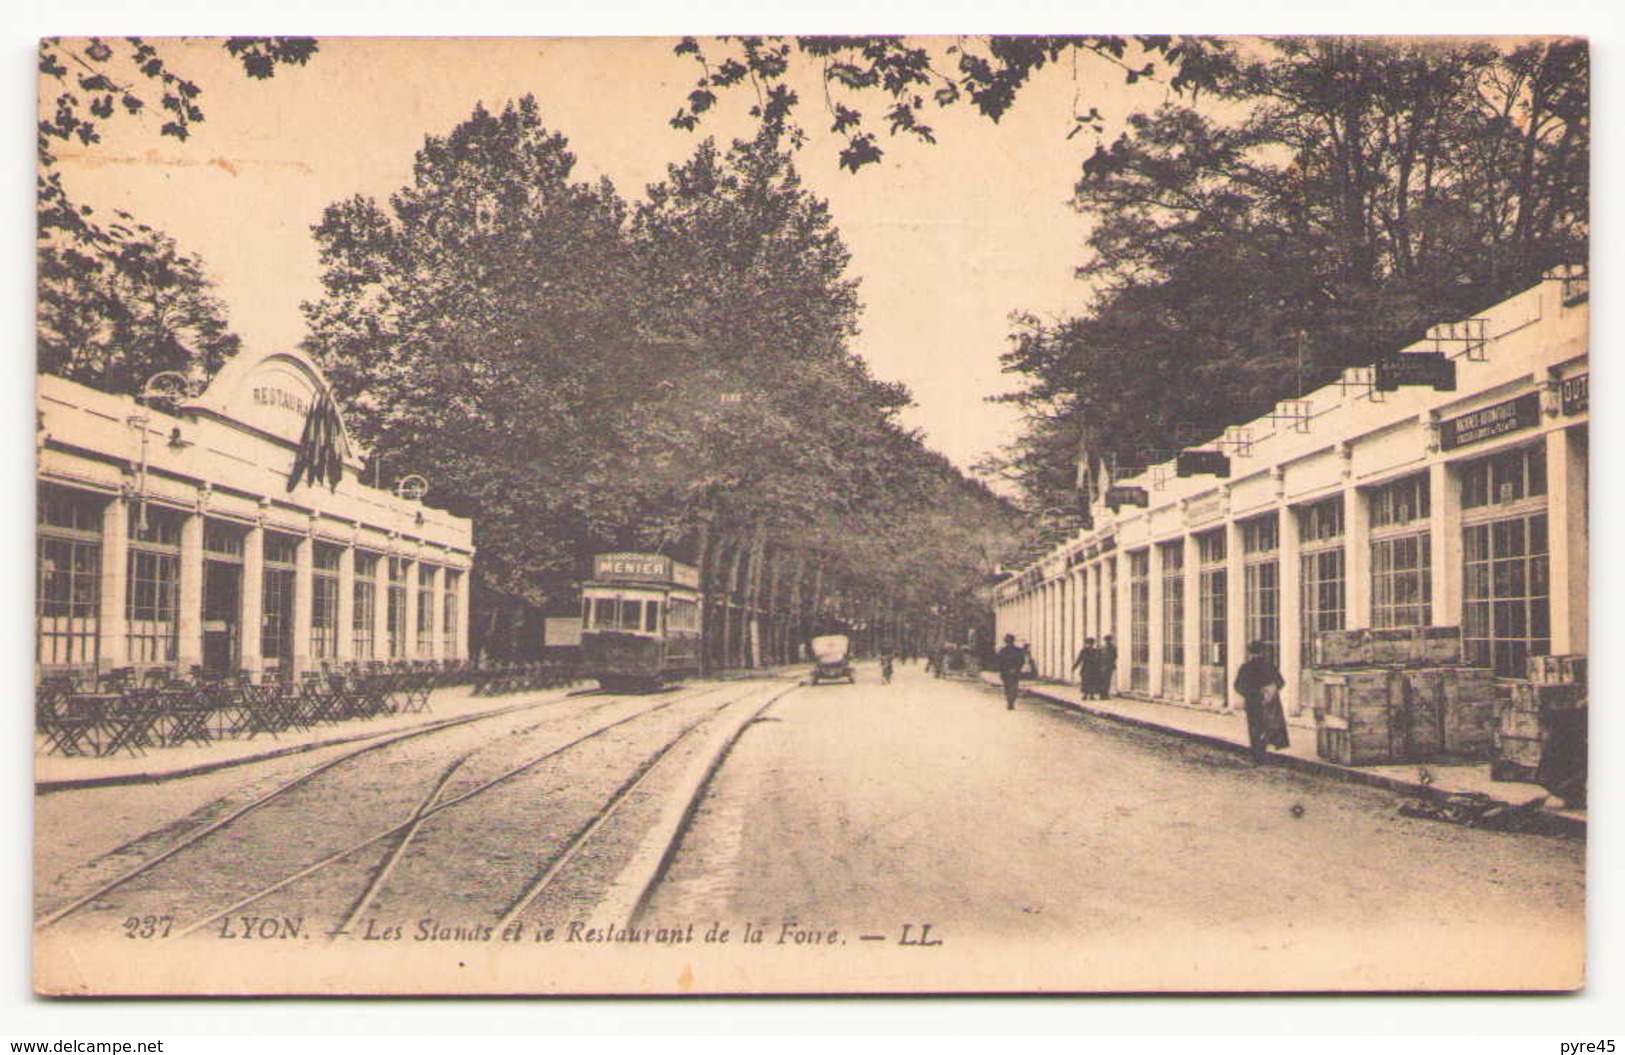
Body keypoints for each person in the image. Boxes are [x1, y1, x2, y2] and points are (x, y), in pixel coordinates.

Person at [1234, 639, 1289, 759]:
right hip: (1268, 701)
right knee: (1268, 725)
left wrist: (1249, 694)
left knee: (1255, 726)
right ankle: (1262, 749)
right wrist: (1271, 690)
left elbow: (1238, 686)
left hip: (1253, 702)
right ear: (1263, 652)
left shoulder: (1246, 667)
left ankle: (1257, 751)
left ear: (1250, 653)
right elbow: (1280, 682)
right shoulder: (1269, 666)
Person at [994, 634, 1032, 710]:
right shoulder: (1017, 650)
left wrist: (1002, 671)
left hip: (1006, 672)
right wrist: (1017, 668)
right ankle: (1011, 701)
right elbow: (1021, 660)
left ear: (1005, 641)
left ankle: (1010, 701)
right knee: (1014, 687)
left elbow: (999, 662)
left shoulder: (1003, 650)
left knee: (1007, 687)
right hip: (1014, 671)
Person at [1100, 634, 1119, 698]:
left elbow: (1115, 656)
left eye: (1109, 640)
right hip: (1102, 666)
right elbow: (1099, 656)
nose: (1108, 641)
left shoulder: (1113, 648)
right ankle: (1102, 694)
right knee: (1102, 680)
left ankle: (1106, 694)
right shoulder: (1102, 648)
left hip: (1109, 666)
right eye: (1106, 640)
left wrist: (1112, 663)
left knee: (1108, 680)